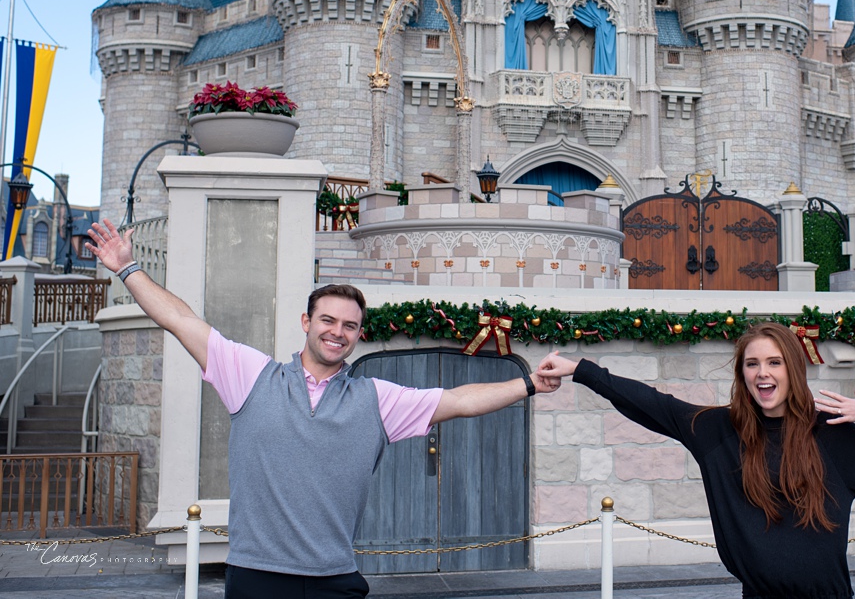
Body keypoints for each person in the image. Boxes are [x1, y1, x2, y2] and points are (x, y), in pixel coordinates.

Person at [85, 219, 559, 599]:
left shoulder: (376, 399)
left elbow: (457, 400)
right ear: (306, 323)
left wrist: (528, 384)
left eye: (350, 326)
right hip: (256, 575)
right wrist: (128, 270)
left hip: (336, 577)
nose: (338, 331)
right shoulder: (251, 376)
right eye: (328, 320)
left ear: (359, 335)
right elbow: (182, 320)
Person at [537, 321, 855, 599]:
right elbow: (651, 403)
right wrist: (580, 370)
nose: (762, 373)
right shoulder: (719, 430)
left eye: (775, 362)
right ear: (742, 372)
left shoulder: (832, 432)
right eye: (752, 364)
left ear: (794, 368)